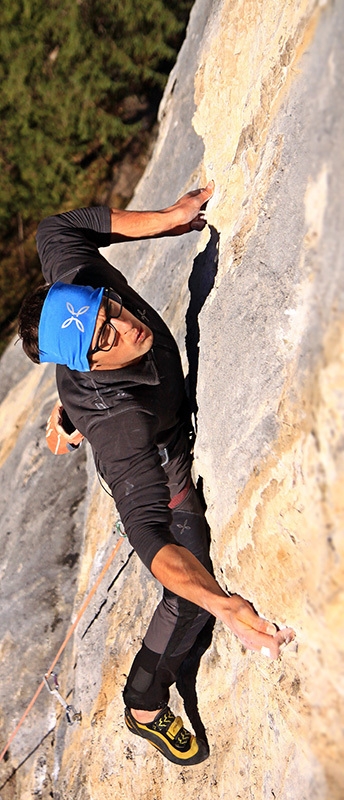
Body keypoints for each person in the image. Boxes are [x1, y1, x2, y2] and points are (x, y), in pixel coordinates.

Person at [18, 181, 295, 766]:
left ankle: (66, 413)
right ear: (91, 364)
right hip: (159, 447)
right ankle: (143, 700)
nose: (125, 323)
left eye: (107, 309)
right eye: (104, 337)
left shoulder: (77, 279)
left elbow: (61, 226)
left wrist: (168, 219)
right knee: (191, 589)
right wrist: (226, 607)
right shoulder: (120, 428)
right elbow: (151, 541)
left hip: (101, 397)